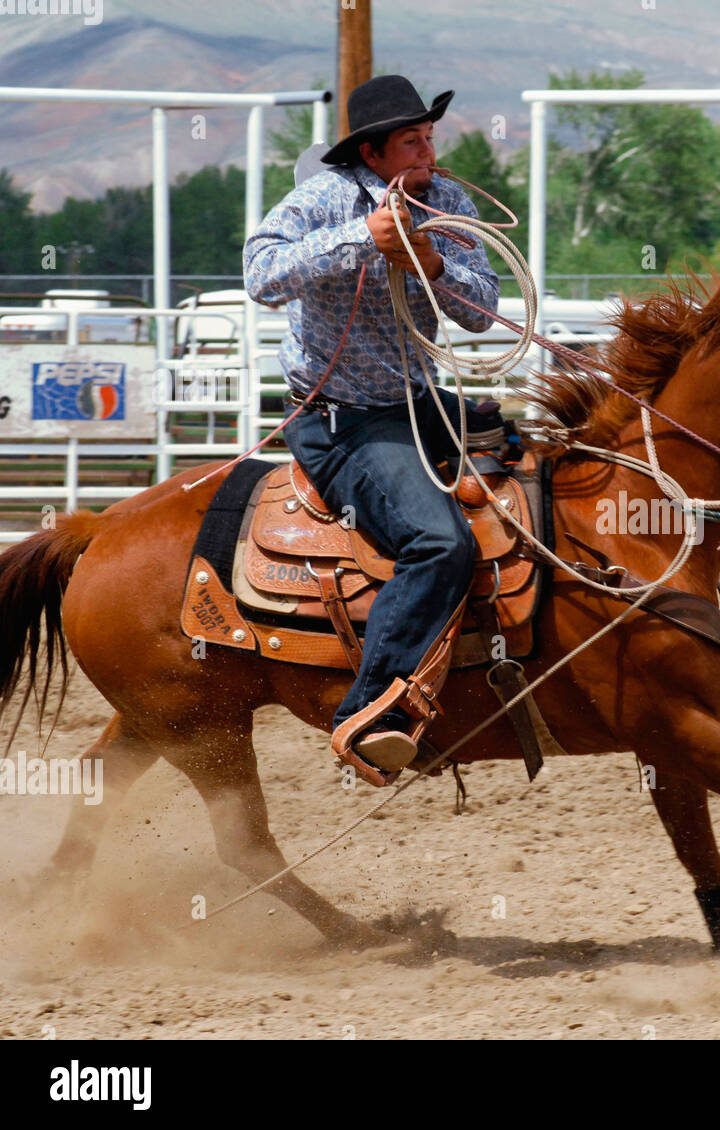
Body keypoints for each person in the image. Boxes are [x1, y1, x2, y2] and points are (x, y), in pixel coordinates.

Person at [243, 74, 502, 776]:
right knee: (437, 540)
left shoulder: (446, 202)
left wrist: (434, 259)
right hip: (343, 418)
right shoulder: (323, 200)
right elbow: (261, 274)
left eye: (429, 137)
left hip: (419, 402)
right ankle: (373, 710)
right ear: (374, 153)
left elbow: (483, 308)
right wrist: (363, 238)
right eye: (412, 141)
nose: (428, 151)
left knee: (534, 465)